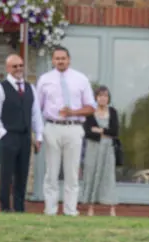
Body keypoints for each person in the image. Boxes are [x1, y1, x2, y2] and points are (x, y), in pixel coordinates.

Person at [36, 47, 95, 217]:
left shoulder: (80, 79)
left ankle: (70, 210)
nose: (60, 61)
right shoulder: (45, 80)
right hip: (52, 127)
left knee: (72, 171)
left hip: (74, 127)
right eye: (57, 58)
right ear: (53, 61)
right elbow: (37, 108)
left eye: (63, 58)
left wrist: (73, 112)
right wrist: (39, 133)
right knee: (51, 171)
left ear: (69, 59)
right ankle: (50, 210)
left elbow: (91, 107)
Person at [0, 53, 43, 213]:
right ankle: (5, 207)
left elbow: (36, 115)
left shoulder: (30, 88)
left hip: (25, 137)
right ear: (7, 68)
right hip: (9, 135)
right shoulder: (0, 88)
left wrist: (38, 136)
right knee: (6, 174)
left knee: (22, 173)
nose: (19, 69)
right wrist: (3, 135)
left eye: (20, 65)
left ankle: (20, 207)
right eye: (15, 66)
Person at [80, 85, 118, 217]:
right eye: (100, 96)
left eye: (105, 96)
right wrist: (100, 132)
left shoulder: (112, 111)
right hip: (93, 147)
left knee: (108, 176)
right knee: (91, 174)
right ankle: (90, 208)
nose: (103, 98)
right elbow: (88, 131)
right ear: (96, 97)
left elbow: (114, 131)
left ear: (108, 98)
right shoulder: (90, 112)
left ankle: (111, 209)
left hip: (108, 149)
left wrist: (100, 130)